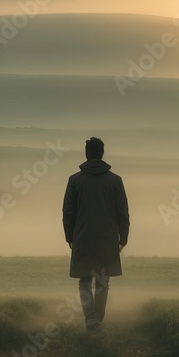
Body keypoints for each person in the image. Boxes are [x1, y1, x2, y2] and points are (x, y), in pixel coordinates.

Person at [62, 137, 130, 332]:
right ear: (102, 153)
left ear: (87, 154)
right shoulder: (115, 181)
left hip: (82, 238)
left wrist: (69, 236)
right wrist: (123, 237)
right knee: (102, 281)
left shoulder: (75, 181)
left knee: (84, 280)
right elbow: (122, 211)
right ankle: (97, 320)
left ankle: (90, 319)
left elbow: (68, 211)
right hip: (107, 239)